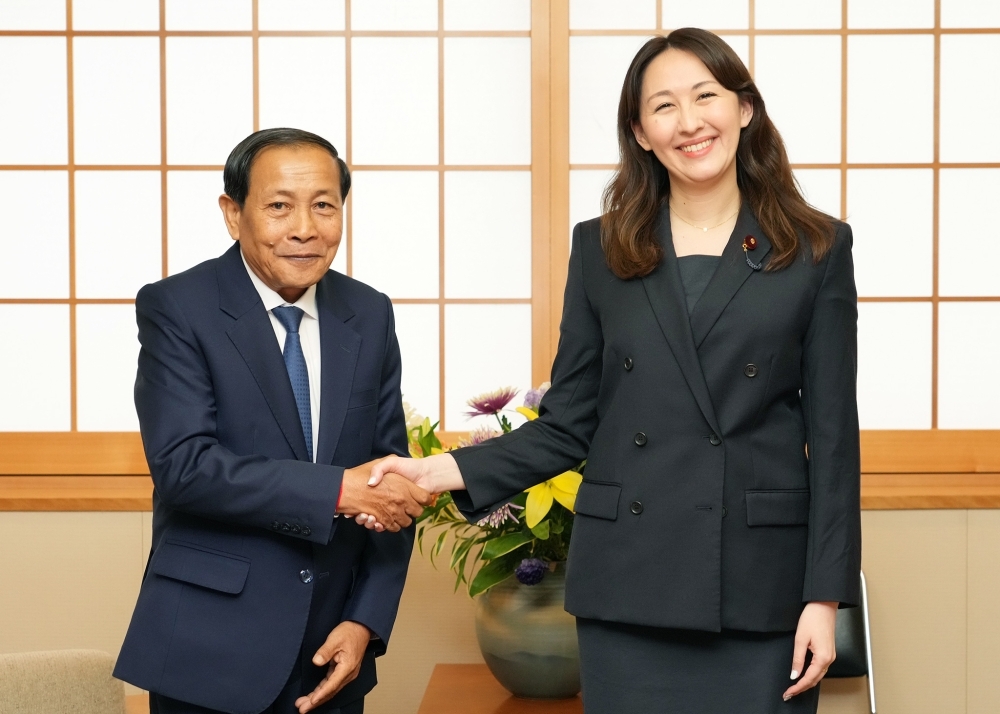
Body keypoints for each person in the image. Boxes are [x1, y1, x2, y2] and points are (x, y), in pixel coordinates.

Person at [365, 28, 861, 713]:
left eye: (706, 96)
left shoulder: (815, 247)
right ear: (641, 132)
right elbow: (569, 424)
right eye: (663, 106)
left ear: (745, 109)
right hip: (630, 584)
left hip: (759, 588)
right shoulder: (601, 248)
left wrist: (824, 598)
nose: (689, 122)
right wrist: (437, 471)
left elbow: (834, 443)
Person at [114, 128, 432, 714]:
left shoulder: (369, 313)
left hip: (333, 651)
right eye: (279, 206)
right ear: (233, 214)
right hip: (209, 648)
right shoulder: (177, 307)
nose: (305, 229)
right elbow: (184, 468)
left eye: (324, 206)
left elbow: (391, 486)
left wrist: (366, 620)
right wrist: (337, 489)